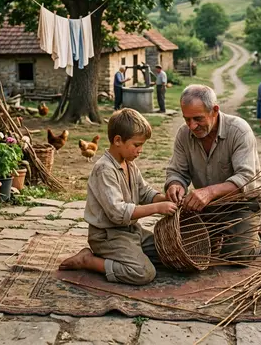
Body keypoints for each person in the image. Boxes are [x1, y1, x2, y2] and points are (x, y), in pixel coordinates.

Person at [59, 108, 177, 285]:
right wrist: (157, 208)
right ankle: (89, 261)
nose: (140, 150)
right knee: (143, 273)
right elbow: (117, 212)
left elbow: (144, 192)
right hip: (107, 235)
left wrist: (165, 199)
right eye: (137, 145)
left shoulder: (129, 165)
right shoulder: (104, 169)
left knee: (168, 253)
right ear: (118, 141)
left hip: (131, 232)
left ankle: (127, 254)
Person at [165, 85, 261, 264]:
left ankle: (260, 228)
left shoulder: (238, 131)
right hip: (207, 207)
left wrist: (209, 192)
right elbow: (177, 171)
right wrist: (175, 184)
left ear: (214, 110)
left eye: (198, 119)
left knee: (237, 255)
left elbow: (246, 179)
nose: (192, 126)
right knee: (178, 248)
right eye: (187, 119)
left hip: (241, 204)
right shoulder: (184, 134)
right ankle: (223, 231)